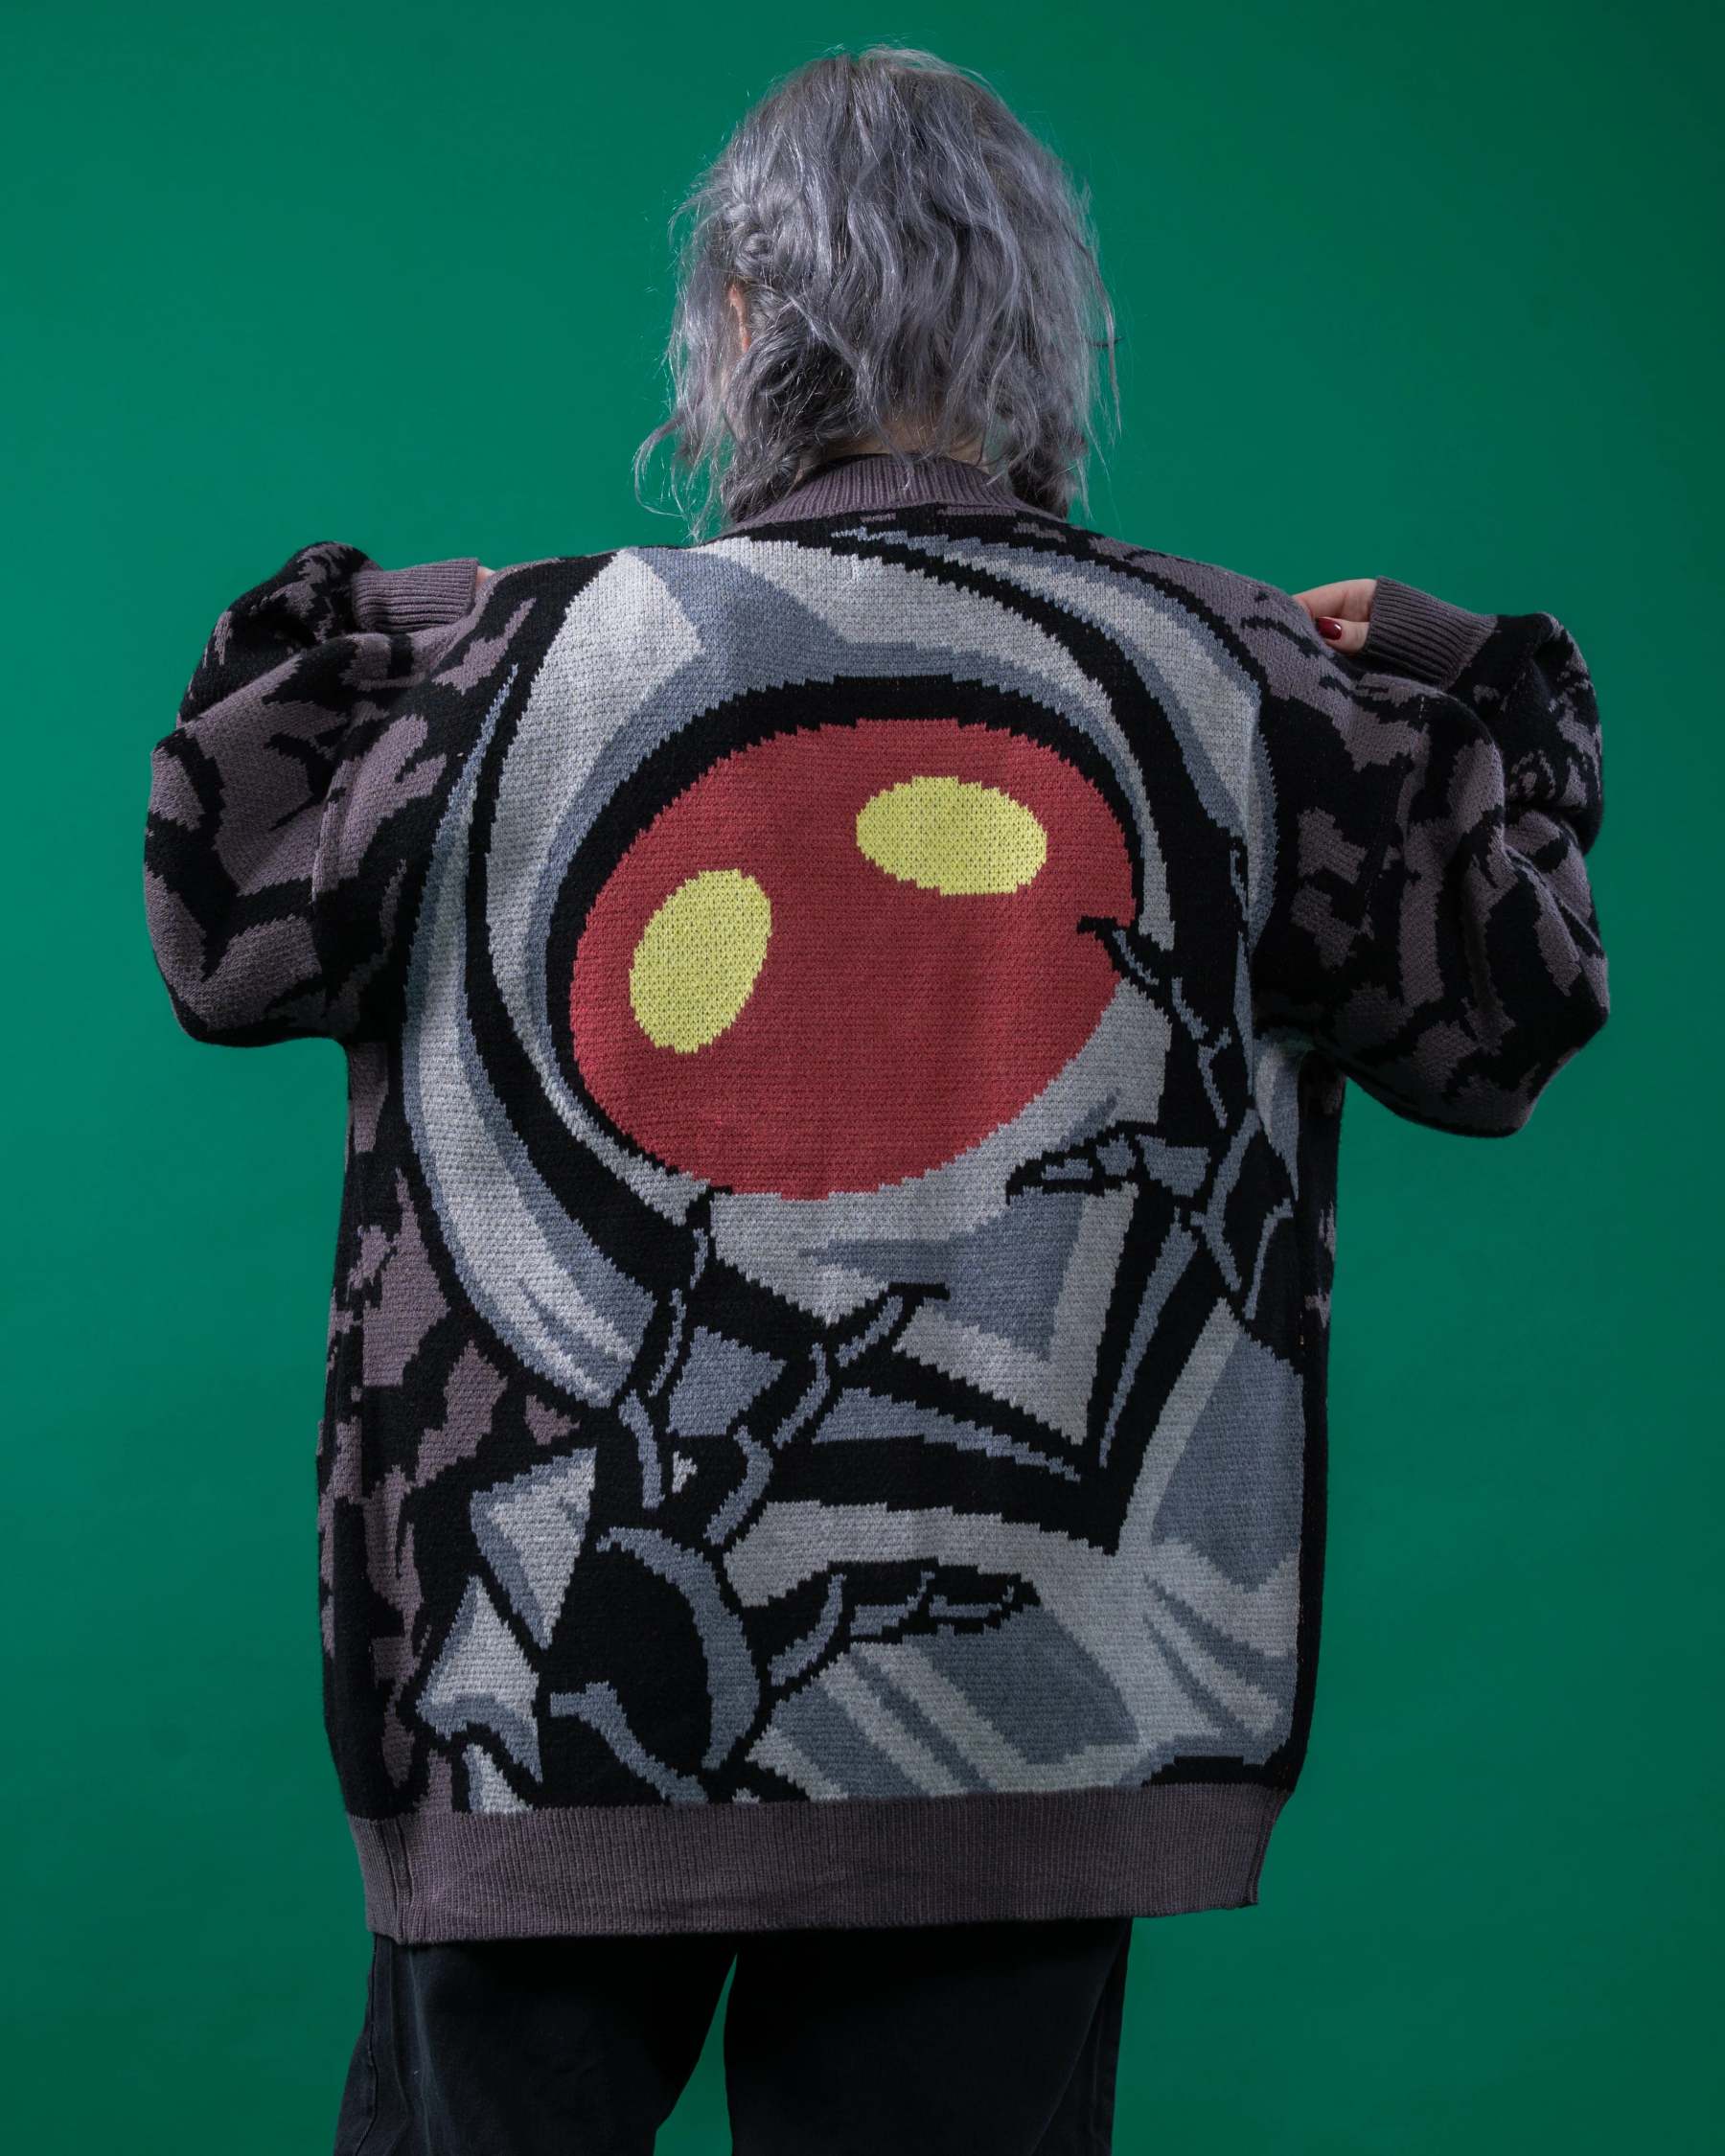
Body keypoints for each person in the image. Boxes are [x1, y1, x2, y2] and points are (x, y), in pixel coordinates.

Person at [141, 41, 1608, 2156]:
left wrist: (408, 621)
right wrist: (1474, 676)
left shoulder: (506, 674)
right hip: (1030, 1724)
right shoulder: (1241, 680)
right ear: (1041, 337)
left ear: (739, 323)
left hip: (535, 1715)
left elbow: (221, 898)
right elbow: (1512, 1002)